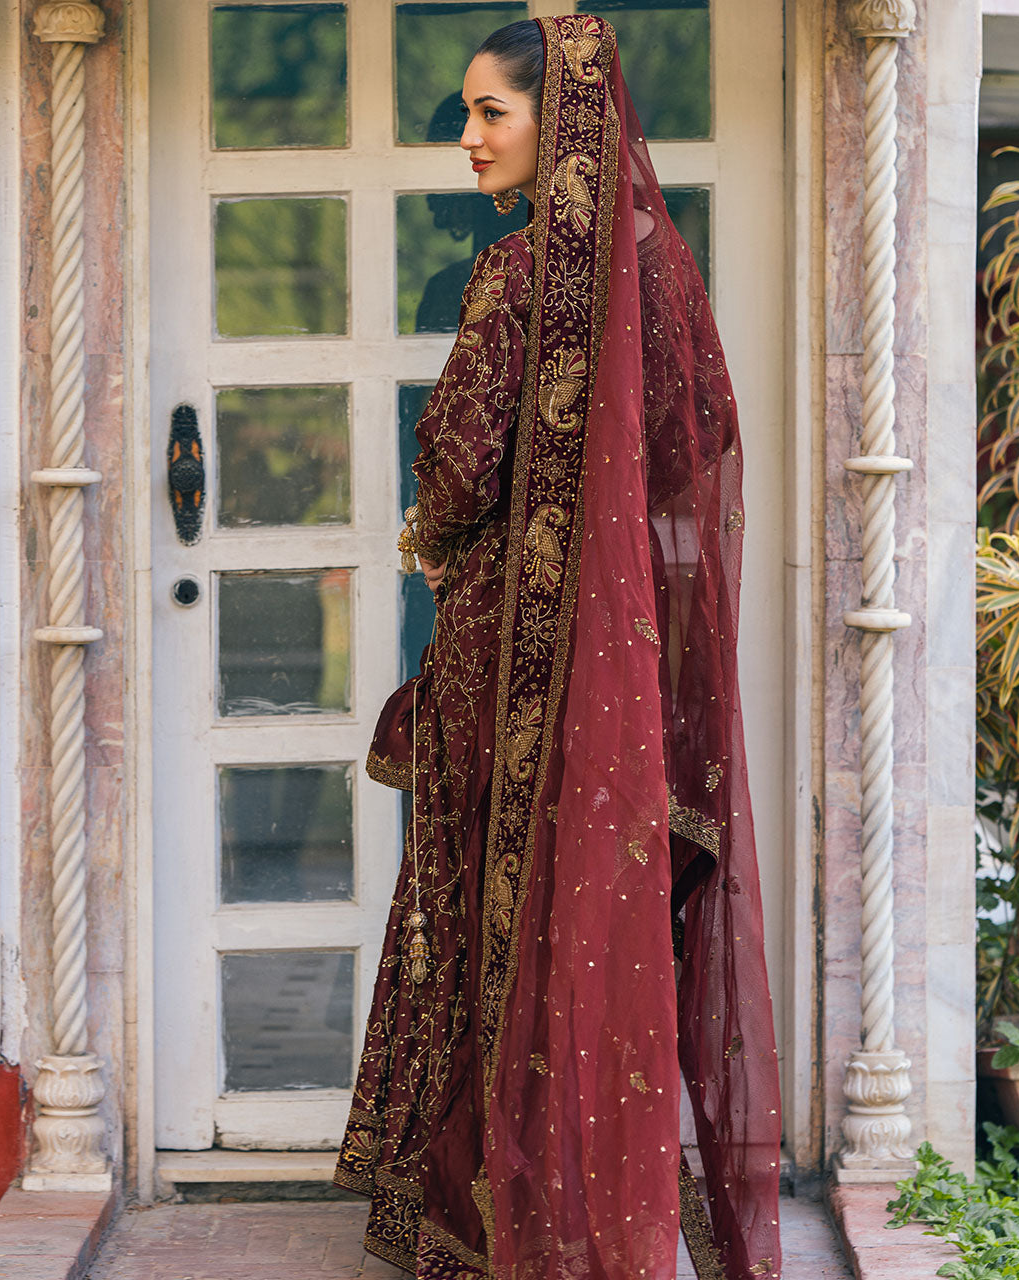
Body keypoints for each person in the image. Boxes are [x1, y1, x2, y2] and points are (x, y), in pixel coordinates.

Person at [334, 16, 781, 1280]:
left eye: (489, 114)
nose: (466, 139)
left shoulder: (521, 273)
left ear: (558, 120)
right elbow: (705, 436)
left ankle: (492, 1226)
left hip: (502, 660)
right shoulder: (657, 264)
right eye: (465, 114)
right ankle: (601, 1226)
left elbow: (459, 465)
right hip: (613, 659)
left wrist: (442, 525)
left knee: (491, 918)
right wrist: (597, 538)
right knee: (594, 927)